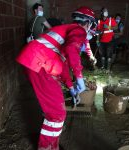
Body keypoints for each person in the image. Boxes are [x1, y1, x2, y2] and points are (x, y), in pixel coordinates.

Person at [16, 6, 96, 150]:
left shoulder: (68, 30)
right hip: (38, 64)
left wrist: (71, 87)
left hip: (35, 62)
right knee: (57, 113)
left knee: (53, 108)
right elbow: (72, 51)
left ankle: (51, 143)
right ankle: (46, 147)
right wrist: (79, 78)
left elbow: (63, 64)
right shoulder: (79, 31)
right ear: (88, 23)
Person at [96, 7, 117, 72]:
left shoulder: (111, 20)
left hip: (110, 40)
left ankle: (108, 69)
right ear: (101, 13)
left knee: (109, 54)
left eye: (107, 11)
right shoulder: (99, 21)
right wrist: (97, 40)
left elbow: (116, 27)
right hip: (102, 41)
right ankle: (103, 67)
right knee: (102, 54)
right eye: (105, 11)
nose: (106, 12)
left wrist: (108, 27)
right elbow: (98, 32)